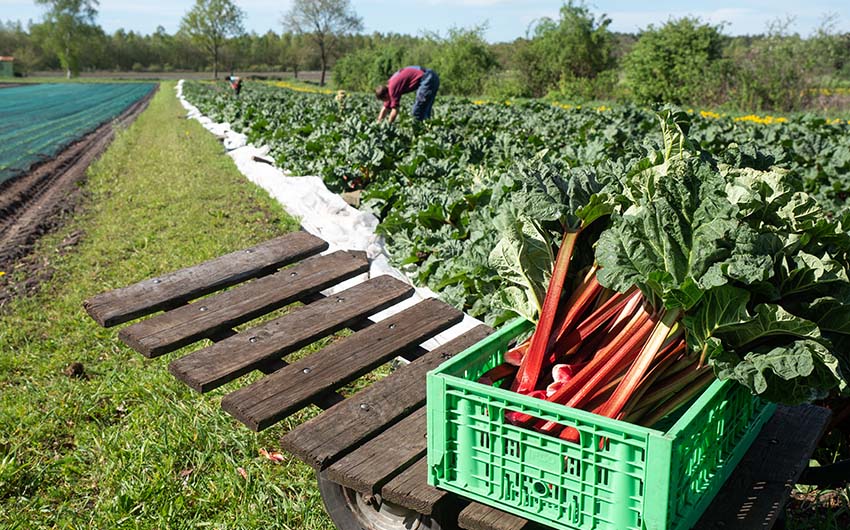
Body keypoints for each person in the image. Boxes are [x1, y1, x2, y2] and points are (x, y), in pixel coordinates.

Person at [375, 66, 440, 123]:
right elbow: (385, 108)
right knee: (425, 111)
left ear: (386, 95)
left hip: (427, 78)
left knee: (417, 112)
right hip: (432, 76)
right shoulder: (390, 84)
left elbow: (395, 110)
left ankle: (420, 133)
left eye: (384, 100)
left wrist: (388, 126)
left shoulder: (392, 88)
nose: (385, 101)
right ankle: (426, 131)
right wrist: (379, 121)